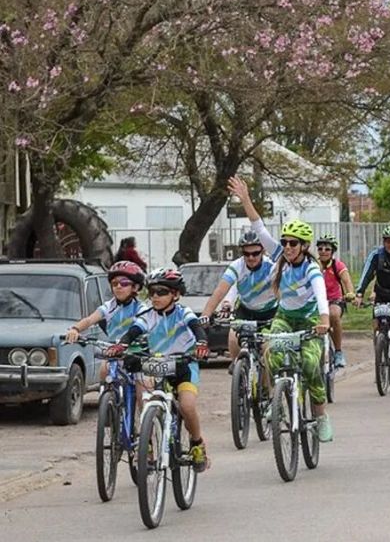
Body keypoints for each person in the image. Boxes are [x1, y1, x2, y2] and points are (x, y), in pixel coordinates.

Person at [229, 177, 334, 442]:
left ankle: (321, 416)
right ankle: (276, 401)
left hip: (310, 320)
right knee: (272, 355)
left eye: (293, 243)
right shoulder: (279, 258)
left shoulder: (311, 268)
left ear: (304, 246)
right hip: (285, 318)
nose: (287, 247)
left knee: (310, 364)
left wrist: (324, 320)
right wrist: (245, 200)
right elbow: (259, 228)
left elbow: (321, 295)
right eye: (285, 242)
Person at [107, 268, 211, 471]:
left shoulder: (184, 313)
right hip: (156, 367)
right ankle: (148, 445)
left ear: (176, 294)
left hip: (184, 366)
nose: (155, 296)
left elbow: (196, 327)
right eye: (152, 292)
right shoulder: (148, 316)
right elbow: (133, 331)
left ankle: (197, 443)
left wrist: (201, 344)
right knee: (145, 401)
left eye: (162, 292)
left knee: (187, 406)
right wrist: (121, 345)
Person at [201, 231, 279, 368]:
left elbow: (281, 291)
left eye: (255, 253)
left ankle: (266, 387)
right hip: (246, 310)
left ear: (263, 251)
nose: (251, 257)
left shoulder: (271, 266)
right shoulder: (237, 266)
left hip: (269, 312)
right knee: (233, 337)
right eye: (246, 254)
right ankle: (239, 367)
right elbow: (220, 291)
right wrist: (206, 315)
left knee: (267, 351)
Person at [65, 261, 148, 382]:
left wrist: (125, 343)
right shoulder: (109, 306)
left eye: (124, 283)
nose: (118, 286)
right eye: (114, 283)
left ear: (135, 287)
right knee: (104, 370)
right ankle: (107, 394)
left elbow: (138, 327)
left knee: (142, 388)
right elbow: (89, 320)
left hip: (137, 352)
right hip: (113, 351)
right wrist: (75, 329)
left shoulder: (141, 308)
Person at [316, 235, 355, 369]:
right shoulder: (313, 265)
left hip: (335, 300)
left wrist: (350, 293)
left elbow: (346, 281)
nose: (323, 251)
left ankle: (338, 351)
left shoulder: (337, 265)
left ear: (332, 251)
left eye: (327, 249)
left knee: (333, 315)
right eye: (320, 248)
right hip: (316, 301)